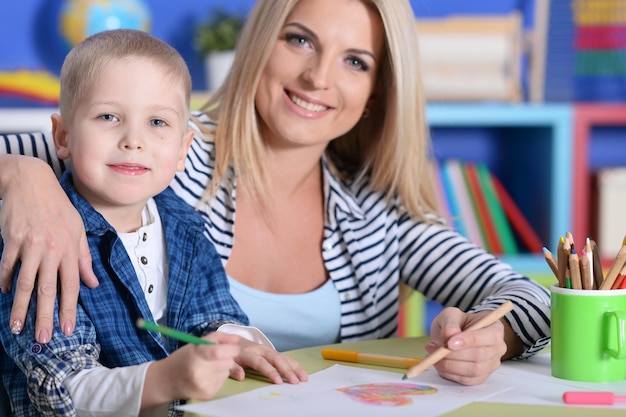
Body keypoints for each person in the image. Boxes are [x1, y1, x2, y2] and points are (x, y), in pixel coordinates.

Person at [0, 0, 550, 386]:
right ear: (262, 43)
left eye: (355, 61)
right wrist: (22, 177)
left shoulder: (382, 212)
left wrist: (493, 337)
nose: (317, 78)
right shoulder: (154, 143)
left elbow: (536, 300)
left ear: (377, 93)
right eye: (300, 40)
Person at [0, 29, 306, 417]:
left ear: (182, 151)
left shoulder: (184, 226)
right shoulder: (42, 240)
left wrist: (232, 342)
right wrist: (164, 380)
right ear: (62, 137)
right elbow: (59, 386)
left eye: (158, 122)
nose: (134, 140)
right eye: (108, 116)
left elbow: (212, 316)